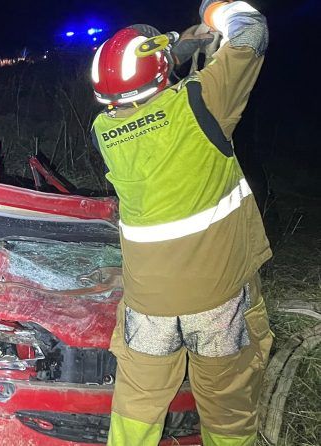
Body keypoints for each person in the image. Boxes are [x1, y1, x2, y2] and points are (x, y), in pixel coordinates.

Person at [89, 2, 272, 445]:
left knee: (138, 401)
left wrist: (177, 45)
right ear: (159, 74)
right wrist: (215, 11)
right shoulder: (200, 102)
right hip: (216, 299)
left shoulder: (104, 128)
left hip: (148, 302)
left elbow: (149, 84)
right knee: (226, 400)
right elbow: (251, 31)